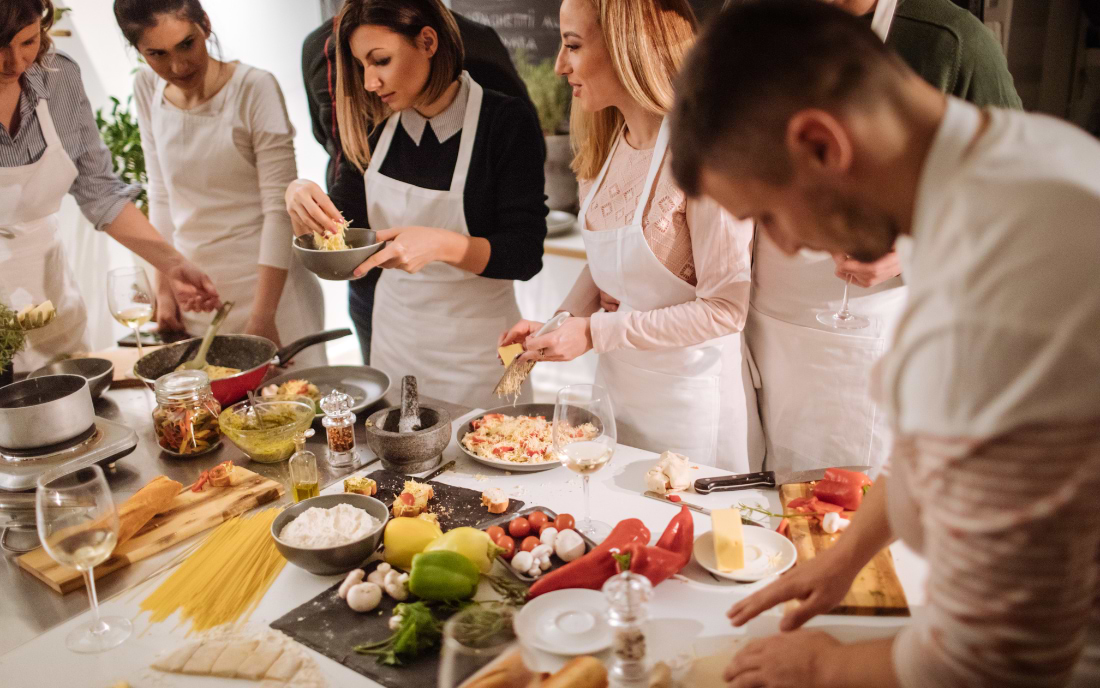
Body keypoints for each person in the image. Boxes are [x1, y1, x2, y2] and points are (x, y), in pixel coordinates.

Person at [670, 2, 1100, 686]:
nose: (781, 247)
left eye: (769, 216)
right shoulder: (1012, 163)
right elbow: (933, 450)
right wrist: (842, 559)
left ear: (821, 144)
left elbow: (1003, 657)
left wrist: (823, 665)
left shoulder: (1010, 273)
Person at [741, 0, 1021, 475]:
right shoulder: (750, 17)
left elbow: (1016, 199)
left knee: (842, 511)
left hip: (869, 341)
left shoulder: (950, 41)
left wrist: (913, 250)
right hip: (759, 329)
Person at [500, 0, 762, 470]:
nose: (560, 66)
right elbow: (607, 264)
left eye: (573, 46)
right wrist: (557, 327)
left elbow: (726, 310)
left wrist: (595, 332)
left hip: (692, 410)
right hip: (619, 399)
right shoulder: (607, 144)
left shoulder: (705, 153)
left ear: (627, 47)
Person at [285, 0, 546, 408]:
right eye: (362, 66)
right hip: (397, 342)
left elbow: (525, 255)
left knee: (506, 445)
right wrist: (301, 196)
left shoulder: (506, 121)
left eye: (381, 61)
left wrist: (441, 245)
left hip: (493, 346)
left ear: (427, 41)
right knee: (401, 459)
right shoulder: (376, 127)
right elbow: (345, 229)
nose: (370, 82)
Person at [0, 0, 219, 371]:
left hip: (49, 298)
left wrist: (174, 265)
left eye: (28, 42)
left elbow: (98, 190)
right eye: (0, 47)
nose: (15, 62)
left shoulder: (59, 78)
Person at [116, 0, 325, 362]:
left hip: (272, 295)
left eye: (186, 44)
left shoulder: (253, 88)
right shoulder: (146, 88)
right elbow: (161, 193)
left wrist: (263, 317)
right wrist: (164, 289)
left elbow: (278, 210)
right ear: (137, 51)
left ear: (205, 25)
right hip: (198, 297)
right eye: (157, 53)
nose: (178, 66)